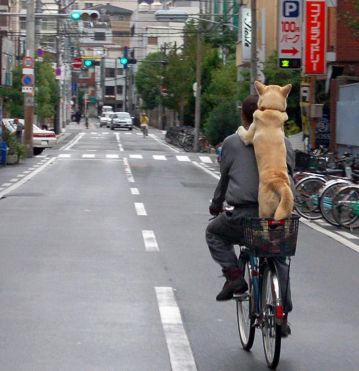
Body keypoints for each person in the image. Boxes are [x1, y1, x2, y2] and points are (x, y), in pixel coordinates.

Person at [206, 95, 295, 336]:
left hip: (242, 217)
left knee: (213, 232)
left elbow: (224, 180)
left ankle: (235, 276)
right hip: (275, 215)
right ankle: (282, 313)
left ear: (245, 116)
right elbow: (291, 176)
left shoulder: (233, 142)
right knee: (278, 257)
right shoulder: (284, 142)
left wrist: (216, 205)